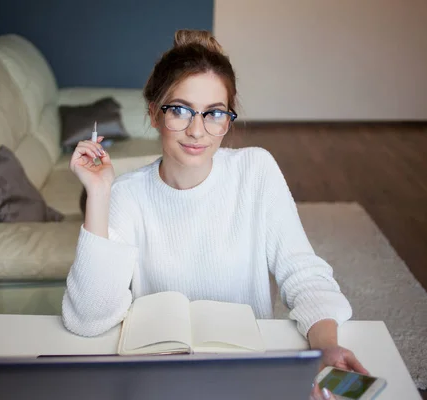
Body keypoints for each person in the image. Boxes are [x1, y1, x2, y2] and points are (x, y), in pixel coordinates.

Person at [63, 29, 367, 400]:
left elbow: (303, 273)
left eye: (213, 114)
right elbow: (88, 320)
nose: (196, 130)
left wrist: (326, 347)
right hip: (161, 381)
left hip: (248, 376)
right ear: (154, 114)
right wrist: (98, 193)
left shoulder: (256, 171)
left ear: (227, 120)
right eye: (179, 110)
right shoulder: (126, 194)